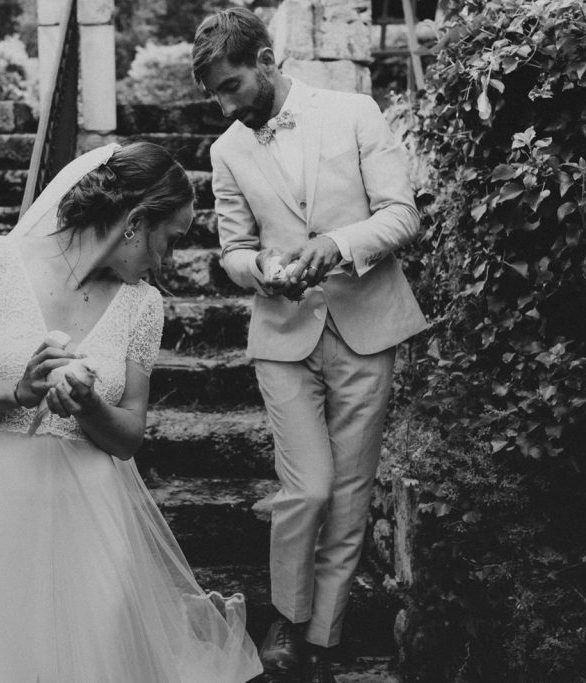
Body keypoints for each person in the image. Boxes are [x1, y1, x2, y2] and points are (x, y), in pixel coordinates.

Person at [0, 141, 263, 683]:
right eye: (172, 240)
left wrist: (92, 404)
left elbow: (128, 437)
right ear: (138, 223)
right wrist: (17, 392)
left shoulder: (144, 304)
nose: (166, 260)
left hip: (94, 517)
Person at [192, 8, 428, 683]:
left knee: (351, 493)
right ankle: (288, 621)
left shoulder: (355, 112)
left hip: (366, 325)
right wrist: (260, 271)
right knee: (310, 486)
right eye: (214, 94)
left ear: (266, 60)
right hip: (282, 334)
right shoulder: (226, 150)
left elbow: (401, 215)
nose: (224, 104)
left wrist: (336, 245)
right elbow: (232, 250)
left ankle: (321, 638)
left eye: (231, 85)